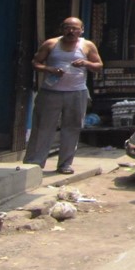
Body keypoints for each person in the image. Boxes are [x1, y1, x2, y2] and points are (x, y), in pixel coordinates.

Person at [24, 17, 104, 174]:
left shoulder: (87, 45)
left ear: (81, 30)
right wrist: (49, 69)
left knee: (72, 128)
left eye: (75, 28)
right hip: (50, 93)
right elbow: (35, 62)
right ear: (62, 29)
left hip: (77, 93)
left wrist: (86, 63)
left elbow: (99, 66)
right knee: (43, 127)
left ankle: (65, 164)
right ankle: (35, 162)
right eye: (67, 27)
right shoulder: (51, 44)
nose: (71, 31)